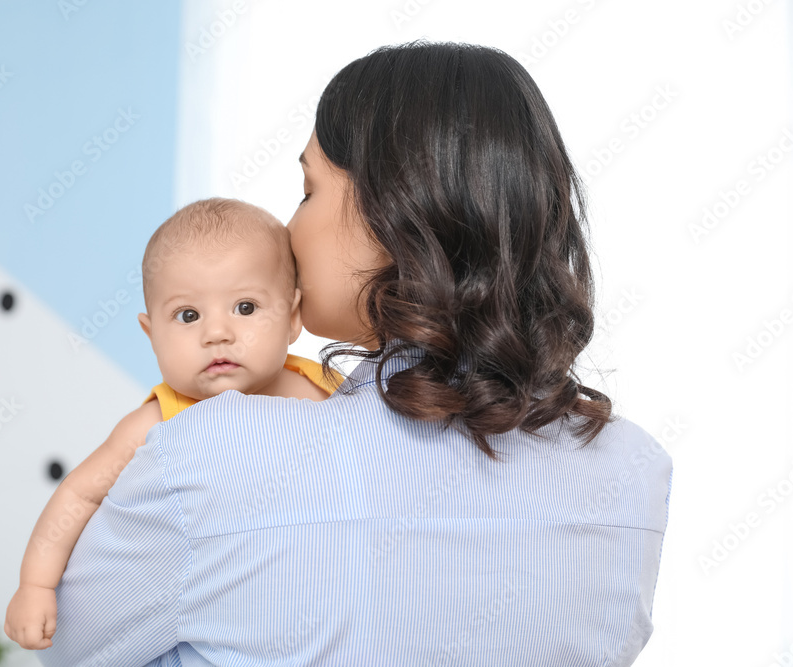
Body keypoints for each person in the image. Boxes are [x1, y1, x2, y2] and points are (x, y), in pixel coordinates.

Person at [37, 40, 673, 666]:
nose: (287, 229)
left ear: (391, 210)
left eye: (309, 190)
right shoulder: (631, 468)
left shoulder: (214, 448)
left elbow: (69, 649)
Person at [4, 197, 344, 651]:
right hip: (225, 618)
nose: (217, 333)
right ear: (152, 335)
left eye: (245, 307)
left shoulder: (325, 389)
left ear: (293, 315)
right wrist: (36, 586)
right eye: (188, 316)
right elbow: (80, 493)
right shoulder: (157, 420)